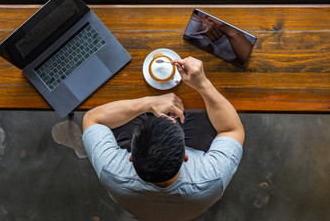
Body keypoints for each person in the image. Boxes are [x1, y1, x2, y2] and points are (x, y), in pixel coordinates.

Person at [82, 56, 245, 221]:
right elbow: (231, 130)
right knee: (202, 111)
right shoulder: (212, 177)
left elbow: (92, 119)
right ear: (185, 157)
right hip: (190, 203)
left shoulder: (111, 170)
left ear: (131, 157)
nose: (171, 119)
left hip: (139, 206)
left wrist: (148, 103)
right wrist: (202, 83)